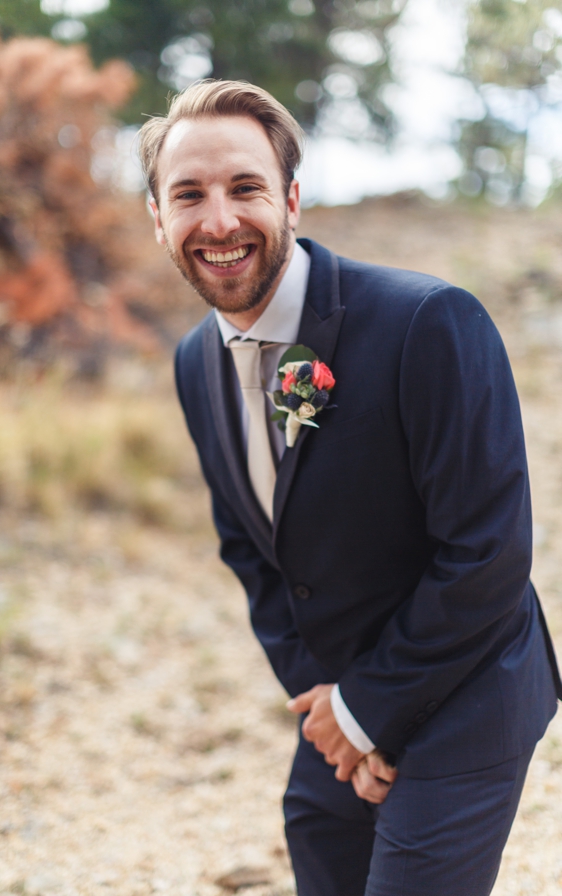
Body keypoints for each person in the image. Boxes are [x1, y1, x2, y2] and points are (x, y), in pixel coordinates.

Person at [140, 79, 562, 894]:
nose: (219, 220)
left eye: (246, 188)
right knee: (321, 857)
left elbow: (487, 554)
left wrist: (369, 713)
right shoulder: (195, 362)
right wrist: (331, 713)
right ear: (158, 217)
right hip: (341, 697)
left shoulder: (429, 323)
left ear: (292, 197)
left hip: (472, 685)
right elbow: (253, 553)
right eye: (188, 195)